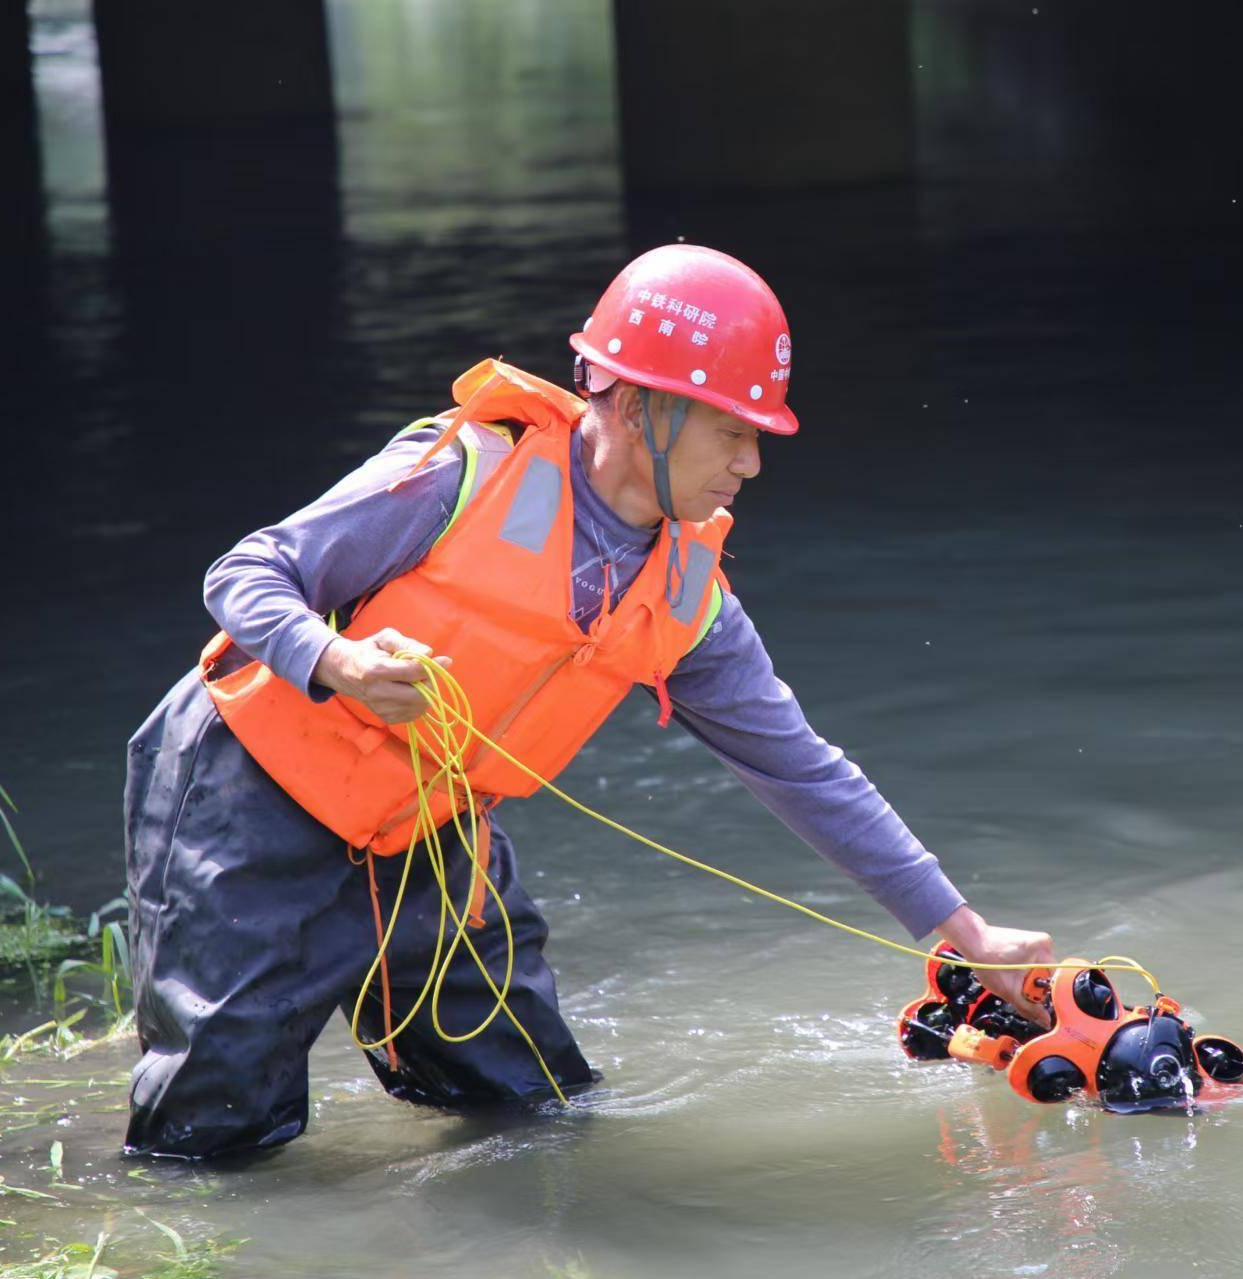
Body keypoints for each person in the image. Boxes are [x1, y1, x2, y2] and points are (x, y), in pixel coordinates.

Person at [122, 245, 1053, 1158]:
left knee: (530, 1108)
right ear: (644, 407)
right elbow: (246, 572)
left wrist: (964, 932)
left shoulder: (691, 595)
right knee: (213, 1138)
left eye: (755, 436)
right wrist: (335, 658)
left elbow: (800, 767)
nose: (751, 463)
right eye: (731, 431)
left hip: (428, 827)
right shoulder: (460, 472)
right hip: (248, 795)